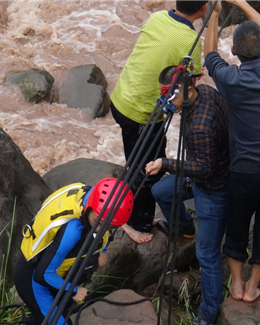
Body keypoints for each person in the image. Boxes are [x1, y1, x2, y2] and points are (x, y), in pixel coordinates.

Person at [204, 0, 260, 302]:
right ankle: (254, 286)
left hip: (244, 172)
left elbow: (209, 56)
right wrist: (242, 3)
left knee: (238, 224)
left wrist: (214, 16)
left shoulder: (230, 79)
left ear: (235, 53)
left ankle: (236, 282)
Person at [110, 1, 208, 244]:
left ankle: (132, 211)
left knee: (137, 160)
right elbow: (190, 85)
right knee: (149, 170)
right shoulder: (189, 40)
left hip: (121, 99)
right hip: (141, 114)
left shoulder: (157, 17)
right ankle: (135, 223)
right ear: (204, 8)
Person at [146, 65, 229, 325]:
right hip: (203, 169)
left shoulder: (199, 129)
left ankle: (208, 312)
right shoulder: (206, 91)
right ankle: (184, 228)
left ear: (189, 88)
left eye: (173, 96)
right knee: (160, 190)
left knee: (207, 254)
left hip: (214, 187)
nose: (169, 103)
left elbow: (205, 169)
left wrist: (166, 163)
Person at [16, 178, 134, 325]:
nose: (101, 230)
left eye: (110, 227)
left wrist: (103, 250)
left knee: (56, 312)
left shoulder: (87, 194)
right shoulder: (72, 231)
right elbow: (43, 275)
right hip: (33, 279)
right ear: (90, 207)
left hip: (55, 270)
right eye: (100, 223)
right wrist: (74, 290)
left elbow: (103, 226)